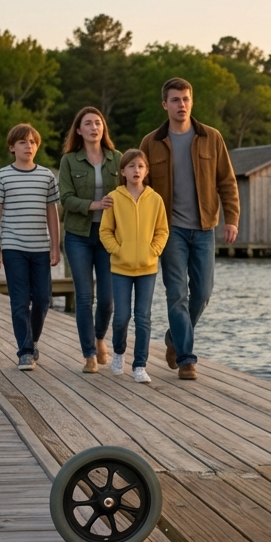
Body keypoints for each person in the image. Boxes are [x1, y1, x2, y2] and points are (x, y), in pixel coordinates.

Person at [138, 78, 240, 381]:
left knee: (203, 293)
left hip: (205, 228)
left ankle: (174, 337)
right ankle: (186, 359)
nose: (181, 105)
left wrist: (232, 219)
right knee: (177, 294)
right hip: (169, 231)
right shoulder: (151, 142)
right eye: (175, 100)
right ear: (165, 105)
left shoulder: (211, 137)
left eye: (185, 99)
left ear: (191, 102)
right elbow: (140, 187)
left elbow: (227, 181)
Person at [0, 123, 60, 371]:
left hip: (40, 247)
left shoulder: (47, 176)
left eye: (32, 142)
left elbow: (52, 213)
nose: (28, 146)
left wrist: (55, 246)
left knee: (42, 299)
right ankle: (25, 351)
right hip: (13, 247)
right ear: (12, 147)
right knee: (19, 301)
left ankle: (33, 340)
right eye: (22, 142)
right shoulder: (2, 176)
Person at [58, 107, 122, 373]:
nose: (94, 127)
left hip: (109, 236)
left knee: (108, 299)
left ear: (103, 128)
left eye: (98, 123)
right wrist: (93, 205)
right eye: (88, 123)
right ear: (79, 129)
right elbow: (65, 198)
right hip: (78, 237)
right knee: (84, 297)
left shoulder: (117, 159)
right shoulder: (69, 161)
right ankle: (89, 355)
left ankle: (99, 338)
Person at [99, 149, 169, 384]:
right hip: (121, 268)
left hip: (147, 269)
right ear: (123, 171)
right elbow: (105, 231)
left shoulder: (155, 199)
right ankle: (119, 353)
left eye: (140, 166)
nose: (136, 170)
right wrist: (118, 250)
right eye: (131, 166)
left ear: (146, 171)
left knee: (143, 317)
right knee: (121, 316)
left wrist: (153, 250)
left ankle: (140, 365)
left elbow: (162, 231)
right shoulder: (114, 198)